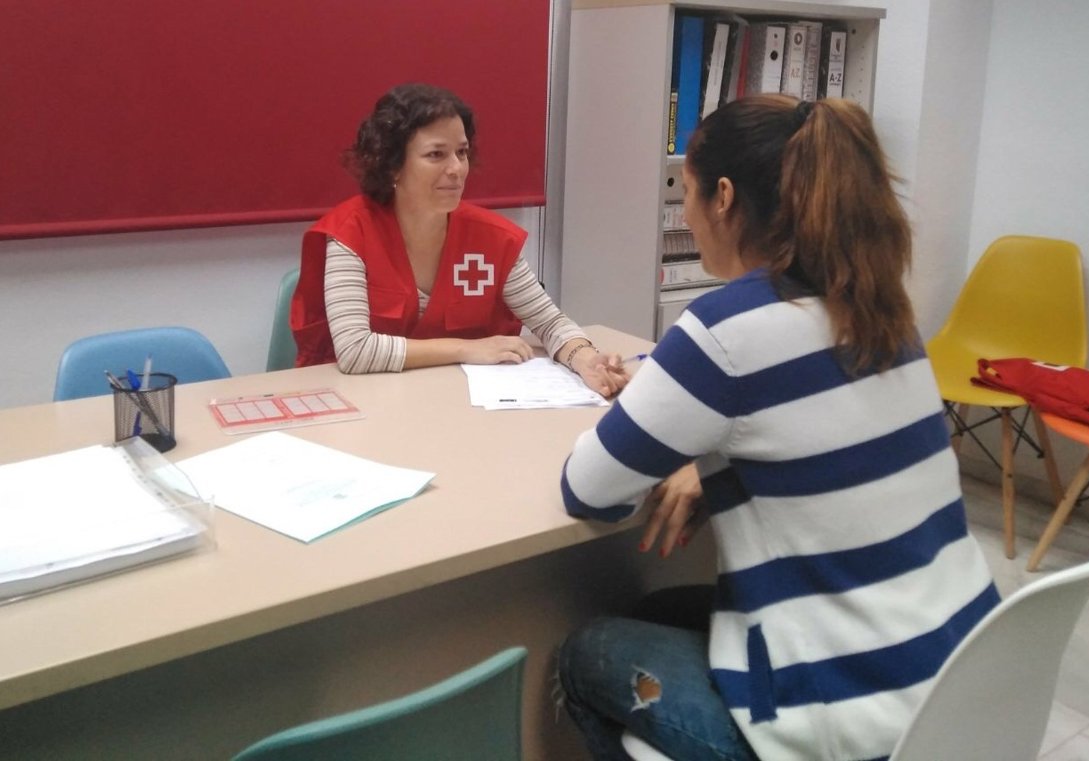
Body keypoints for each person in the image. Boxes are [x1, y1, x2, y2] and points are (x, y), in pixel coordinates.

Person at [557, 96, 1000, 761]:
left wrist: (687, 454)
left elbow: (588, 489)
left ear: (724, 197)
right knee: (660, 614)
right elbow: (821, 444)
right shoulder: (880, 309)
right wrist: (710, 466)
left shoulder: (725, 329)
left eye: (687, 191)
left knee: (587, 652)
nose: (684, 213)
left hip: (852, 728)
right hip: (956, 686)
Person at [291, 83, 628, 396]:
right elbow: (355, 351)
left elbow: (550, 323)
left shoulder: (492, 239)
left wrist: (585, 357)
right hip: (367, 404)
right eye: (436, 155)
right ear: (392, 165)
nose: (457, 168)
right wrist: (467, 348)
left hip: (461, 407)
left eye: (462, 152)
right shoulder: (351, 232)